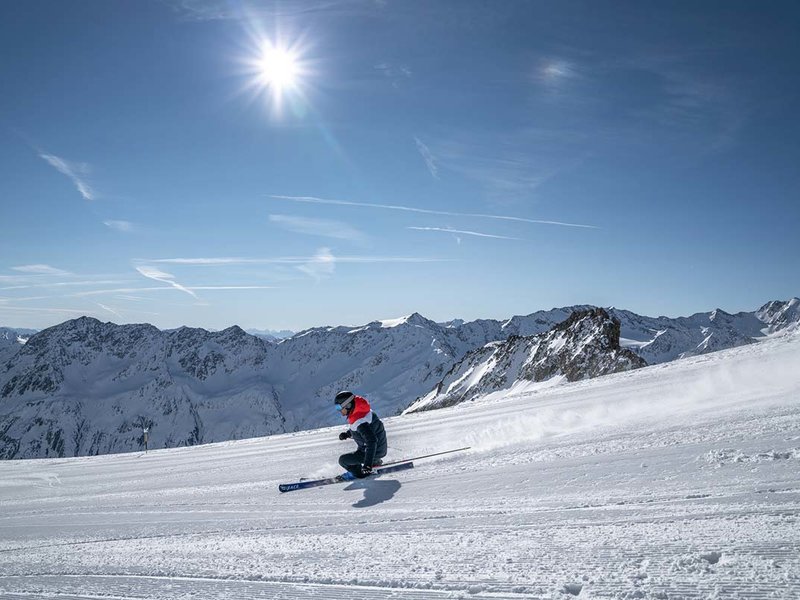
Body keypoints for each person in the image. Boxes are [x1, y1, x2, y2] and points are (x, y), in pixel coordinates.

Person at [335, 390, 387, 478]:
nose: (339, 410)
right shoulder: (361, 412)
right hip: (374, 450)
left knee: (343, 460)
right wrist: (347, 434)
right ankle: (375, 461)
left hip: (373, 452)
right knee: (353, 457)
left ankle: (361, 474)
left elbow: (372, 441)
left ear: (348, 405)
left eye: (339, 407)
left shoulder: (360, 421)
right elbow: (361, 430)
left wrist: (367, 465)